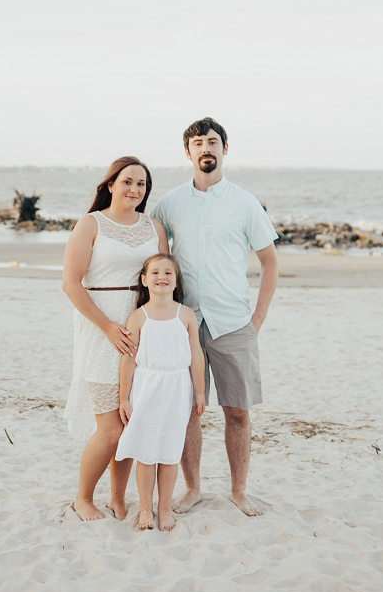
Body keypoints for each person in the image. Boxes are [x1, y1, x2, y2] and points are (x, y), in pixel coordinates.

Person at [150, 117, 279, 517]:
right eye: (198, 143)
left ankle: (239, 491)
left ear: (225, 149)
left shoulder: (244, 202)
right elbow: (157, 262)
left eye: (213, 142)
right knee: (188, 409)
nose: (206, 148)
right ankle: (193, 489)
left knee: (237, 411)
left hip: (233, 322)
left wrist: (256, 320)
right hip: (184, 321)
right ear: (187, 152)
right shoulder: (168, 204)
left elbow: (270, 262)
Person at [62, 157, 168, 521]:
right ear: (110, 184)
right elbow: (71, 284)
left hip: (143, 328)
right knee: (110, 429)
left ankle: (118, 498)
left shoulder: (154, 227)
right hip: (101, 329)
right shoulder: (91, 224)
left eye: (141, 184)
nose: (134, 190)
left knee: (131, 422)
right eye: (127, 182)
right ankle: (83, 497)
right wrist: (108, 327)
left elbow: (164, 275)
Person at [115, 254, 206, 531]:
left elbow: (196, 355)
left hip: (178, 388)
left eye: (168, 272)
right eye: (155, 273)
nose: (161, 277)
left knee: (169, 452)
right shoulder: (138, 317)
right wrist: (123, 398)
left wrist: (199, 391)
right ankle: (145, 508)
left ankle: (164, 509)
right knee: (146, 453)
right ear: (144, 280)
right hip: (147, 389)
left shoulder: (186, 314)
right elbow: (128, 360)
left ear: (176, 280)